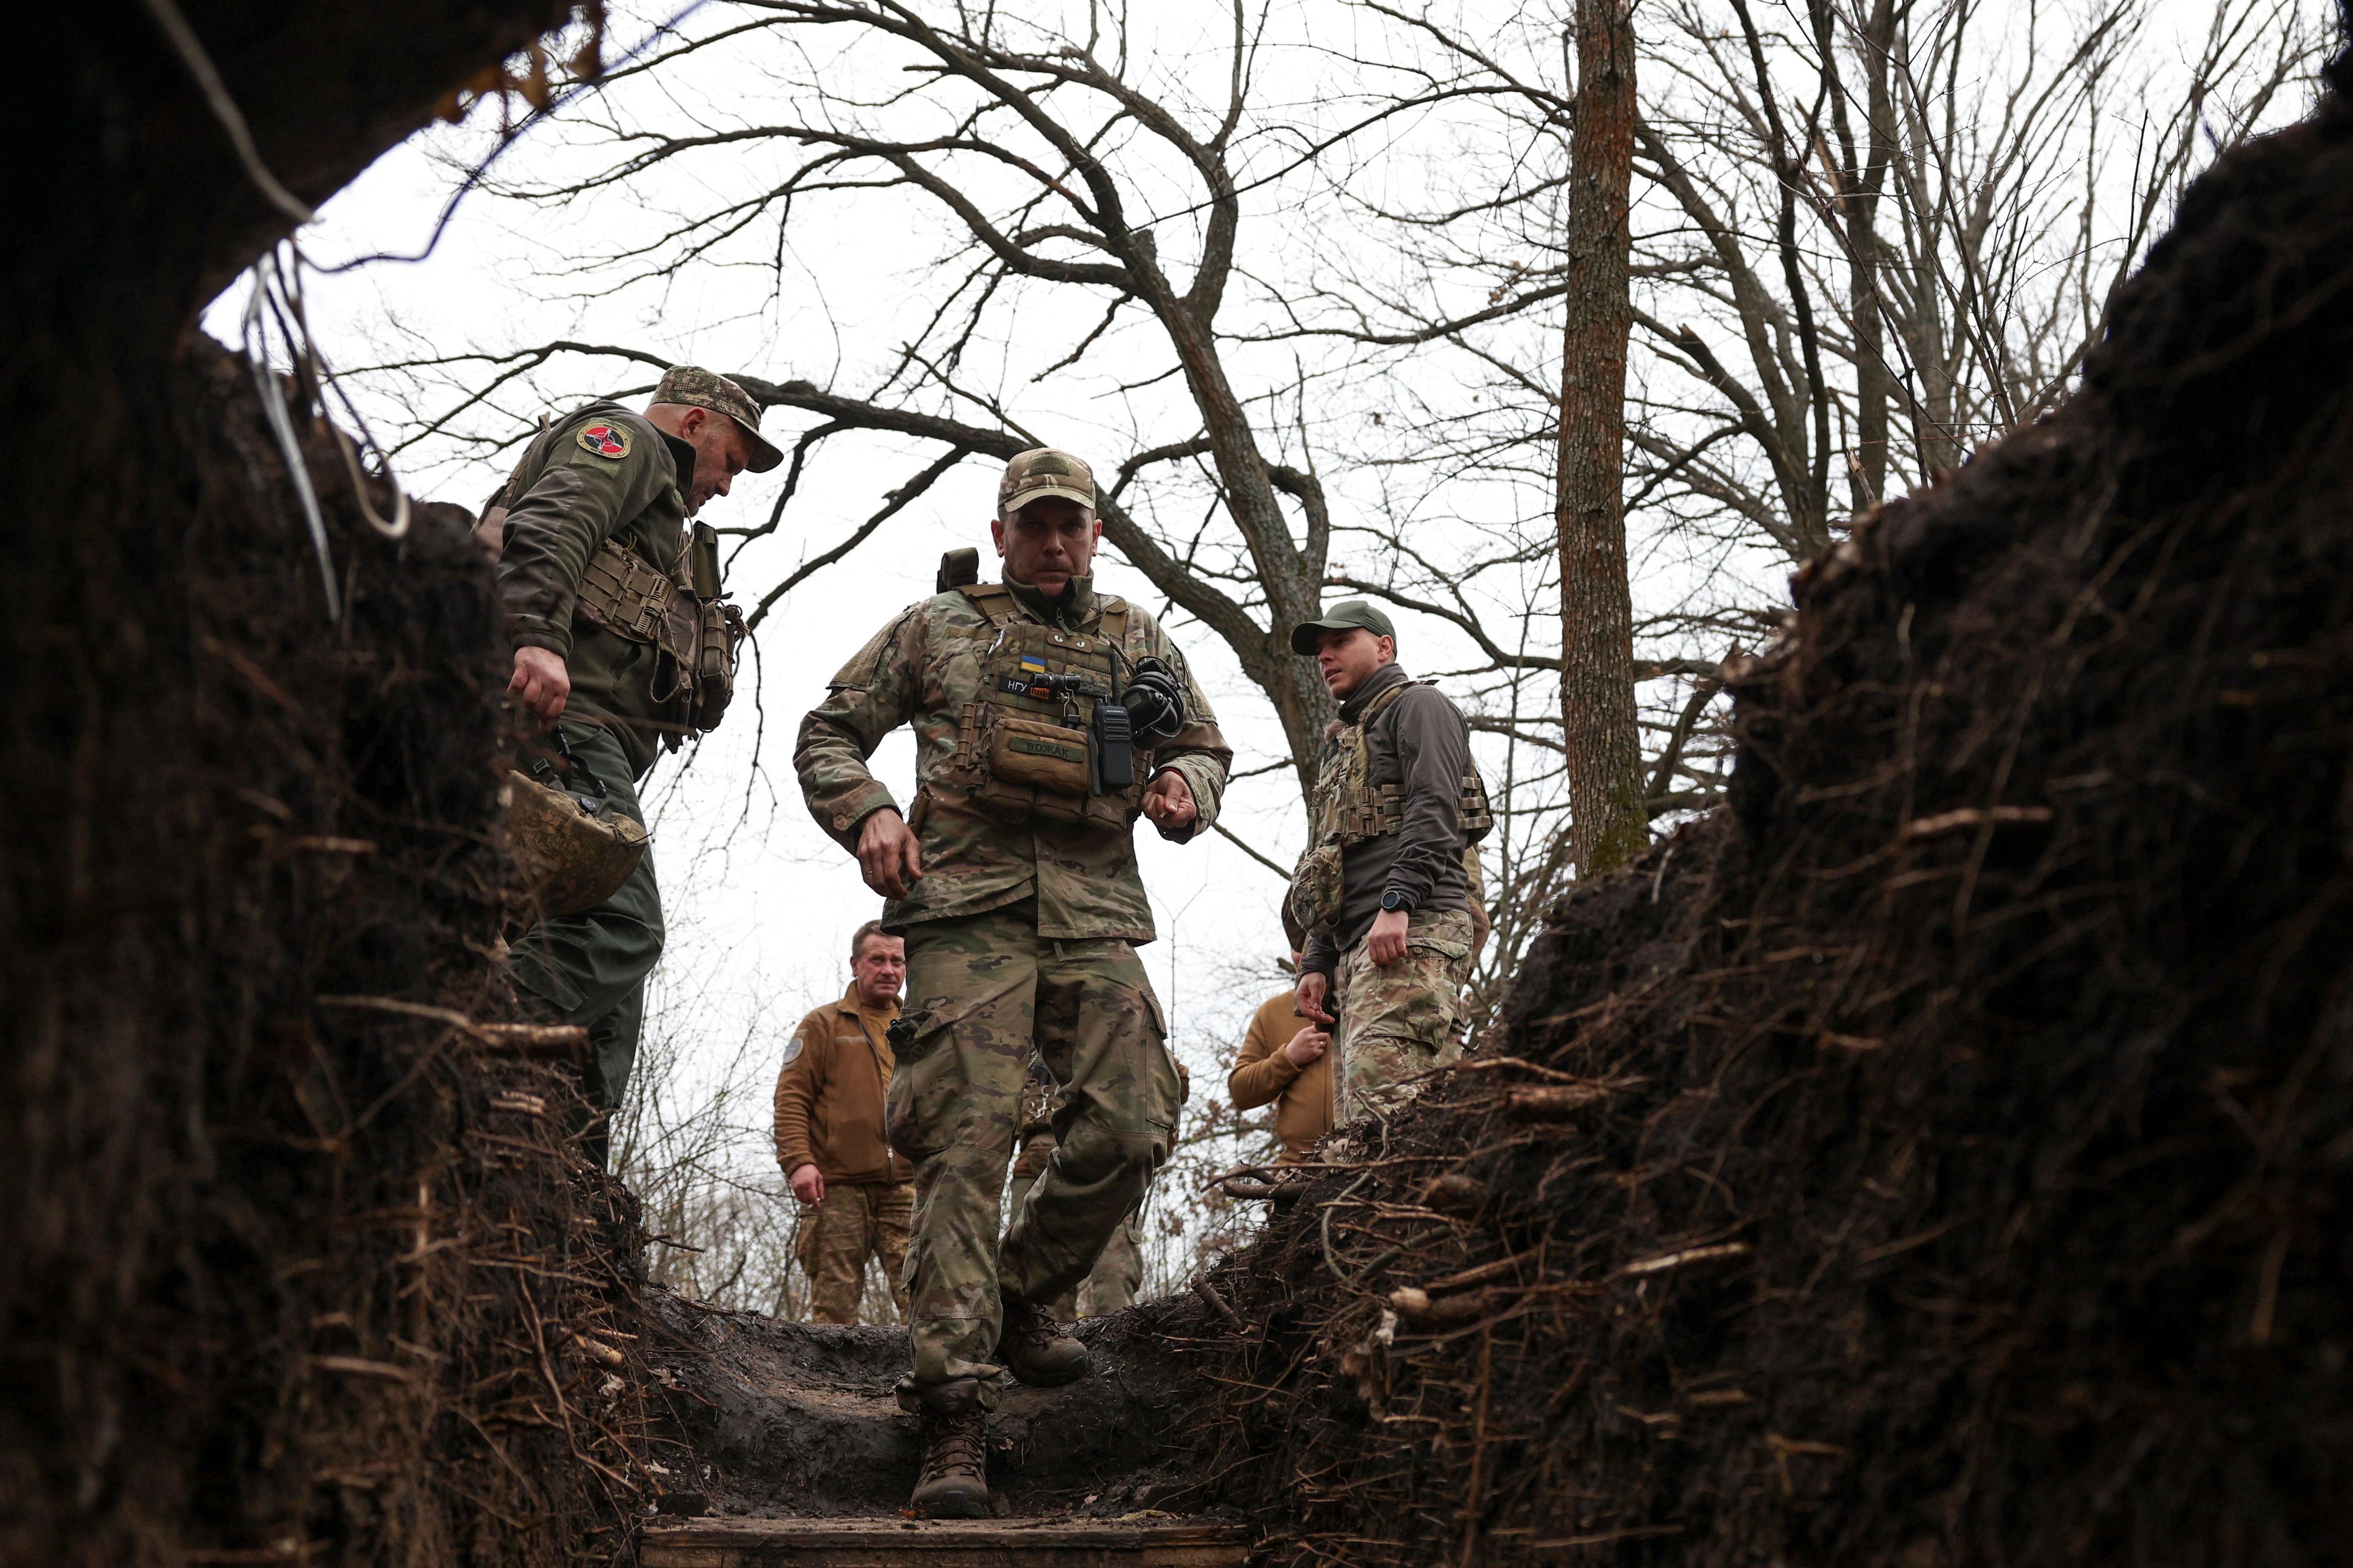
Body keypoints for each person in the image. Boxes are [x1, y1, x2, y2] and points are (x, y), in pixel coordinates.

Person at [794, 447, 1229, 1517]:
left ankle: (1021, 1293)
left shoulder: (1137, 637)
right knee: (963, 1141)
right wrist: (873, 814)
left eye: (1069, 525)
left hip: (1094, 913)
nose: (1051, 542)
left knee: (1135, 1122)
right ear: (1000, 535)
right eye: (1032, 524)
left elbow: (1208, 745)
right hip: (964, 914)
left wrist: (1184, 783)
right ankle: (953, 1416)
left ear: (1095, 535)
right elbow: (829, 733)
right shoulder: (935, 627)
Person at [492, 366, 780, 1166]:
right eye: (732, 457)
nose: (728, 483)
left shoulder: (667, 511)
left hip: (591, 736)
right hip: (562, 719)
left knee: (609, 1001)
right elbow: (553, 522)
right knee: (625, 924)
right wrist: (538, 638)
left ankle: (569, 1164)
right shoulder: (629, 446)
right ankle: (462, 1017)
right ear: (695, 422)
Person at [1287, 600, 1492, 1122]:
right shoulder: (1343, 744)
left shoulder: (1420, 705)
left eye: (1340, 642)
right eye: (1319, 650)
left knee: (1382, 1119)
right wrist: (1318, 960)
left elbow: (1435, 807)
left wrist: (1398, 901)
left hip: (1411, 933)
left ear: (1385, 647)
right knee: (1378, 1124)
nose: (1325, 656)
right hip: (1359, 948)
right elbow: (1330, 859)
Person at [774, 921, 915, 1325]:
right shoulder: (823, 1025)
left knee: (924, 1301)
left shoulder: (920, 1027)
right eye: (878, 960)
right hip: (836, 1190)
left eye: (897, 961)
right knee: (833, 1313)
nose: (889, 970)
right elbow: (791, 1099)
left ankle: (928, 1382)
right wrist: (799, 1162)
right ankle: (827, 1390)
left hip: (907, 1186)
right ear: (856, 964)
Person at [1226, 957, 1332, 1166]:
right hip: (1299, 1169)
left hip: (1383, 1161)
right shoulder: (1274, 1012)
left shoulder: (1375, 995)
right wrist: (1289, 1058)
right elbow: (1241, 1091)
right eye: (1296, 944)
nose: (1301, 952)